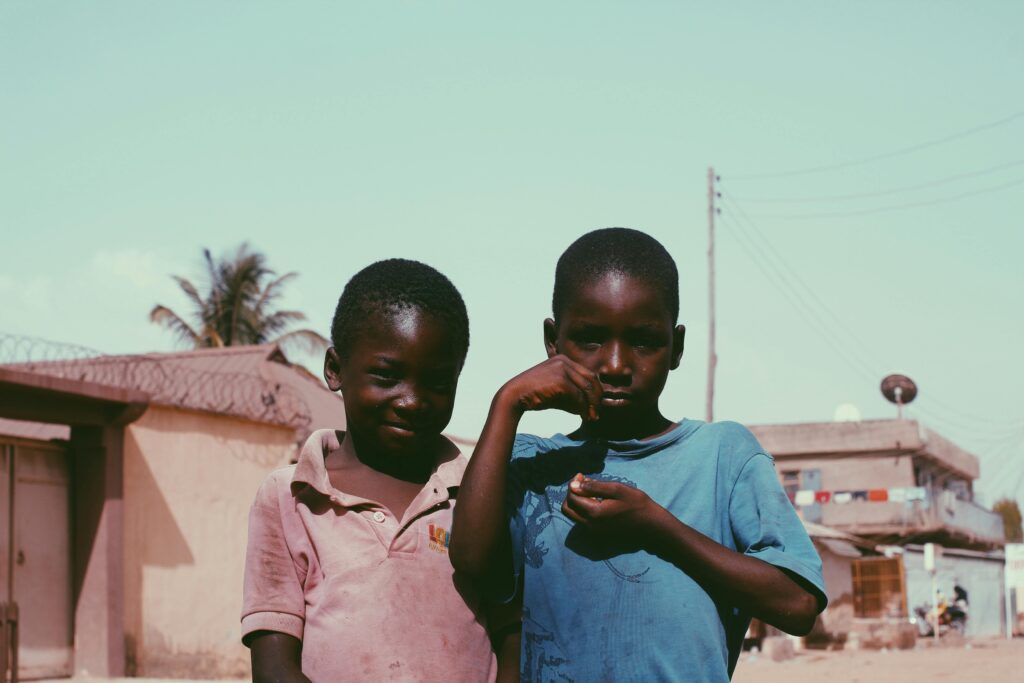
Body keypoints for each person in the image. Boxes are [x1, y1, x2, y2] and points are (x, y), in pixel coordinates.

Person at [450, 228, 827, 681]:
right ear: (553, 341)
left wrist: (656, 526)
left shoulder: (722, 456)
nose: (615, 365)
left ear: (677, 348)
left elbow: (798, 605)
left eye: (645, 341)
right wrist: (507, 402)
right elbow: (470, 561)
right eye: (590, 338)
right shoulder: (533, 461)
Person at [241, 259, 519, 683]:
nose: (412, 401)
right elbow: (274, 666)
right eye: (387, 376)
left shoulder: (475, 495)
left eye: (438, 385)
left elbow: (511, 634)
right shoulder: (291, 497)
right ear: (335, 370)